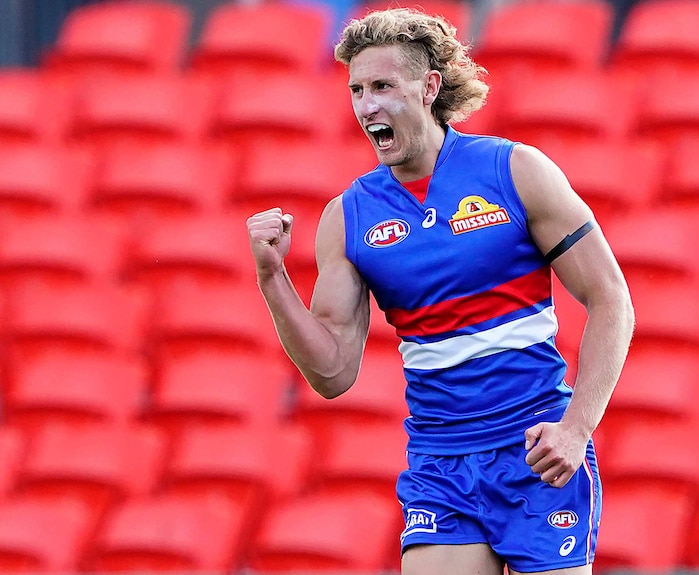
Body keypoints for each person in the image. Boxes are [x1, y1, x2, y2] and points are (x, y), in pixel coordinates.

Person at [246, 8, 635, 575]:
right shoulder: (349, 218)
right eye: (356, 89)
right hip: (441, 463)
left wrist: (577, 427)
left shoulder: (515, 171)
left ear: (429, 87)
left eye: (382, 85)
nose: (365, 105)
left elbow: (611, 299)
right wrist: (272, 278)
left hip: (536, 450)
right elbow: (331, 374)